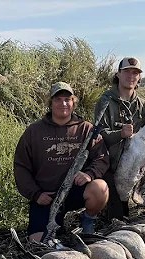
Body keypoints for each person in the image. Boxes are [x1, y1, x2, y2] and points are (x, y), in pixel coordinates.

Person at [14, 82, 110, 241]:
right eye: (58, 99)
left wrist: (89, 174)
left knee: (100, 188)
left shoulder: (86, 129)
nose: (63, 103)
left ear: (73, 102)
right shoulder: (34, 131)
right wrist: (36, 194)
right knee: (38, 241)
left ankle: (87, 221)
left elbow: (102, 157)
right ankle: (55, 227)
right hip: (46, 197)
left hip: (74, 192)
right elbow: (21, 166)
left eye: (67, 99)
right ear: (50, 103)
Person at [94, 56, 145, 219]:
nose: (131, 76)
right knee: (117, 218)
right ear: (118, 74)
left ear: (139, 77)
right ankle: (113, 202)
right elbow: (98, 135)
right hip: (115, 163)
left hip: (140, 161)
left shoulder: (143, 105)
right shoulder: (105, 102)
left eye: (135, 73)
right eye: (127, 72)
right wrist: (120, 134)